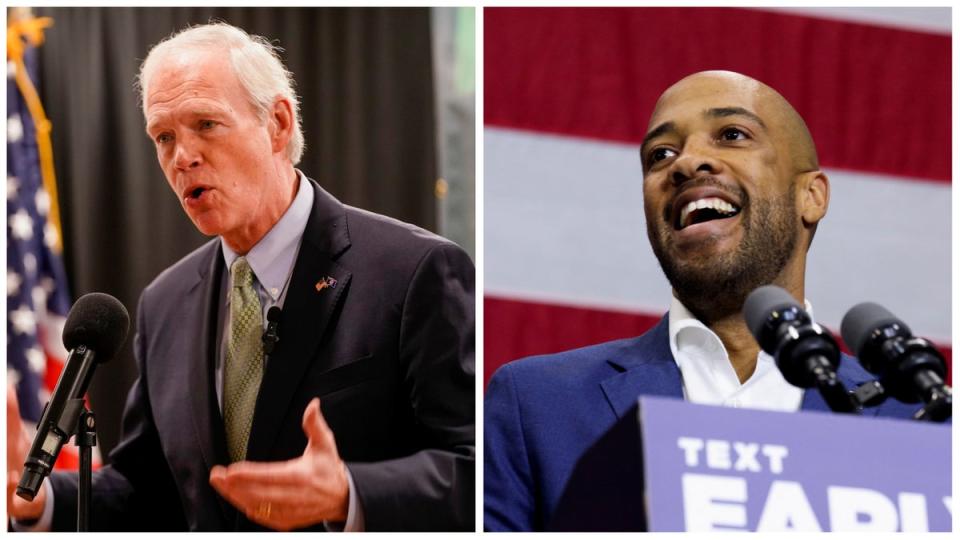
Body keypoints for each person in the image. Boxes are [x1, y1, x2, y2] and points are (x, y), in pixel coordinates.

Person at [7, 22, 474, 531]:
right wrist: (42, 498)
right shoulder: (165, 302)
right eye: (163, 136)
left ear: (277, 122)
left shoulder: (413, 272)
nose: (181, 157)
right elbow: (153, 487)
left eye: (205, 124)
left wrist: (350, 494)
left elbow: (476, 469)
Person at [483, 70, 916, 531]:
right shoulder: (536, 405)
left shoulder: (916, 422)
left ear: (811, 196)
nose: (686, 164)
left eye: (732, 135)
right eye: (660, 154)